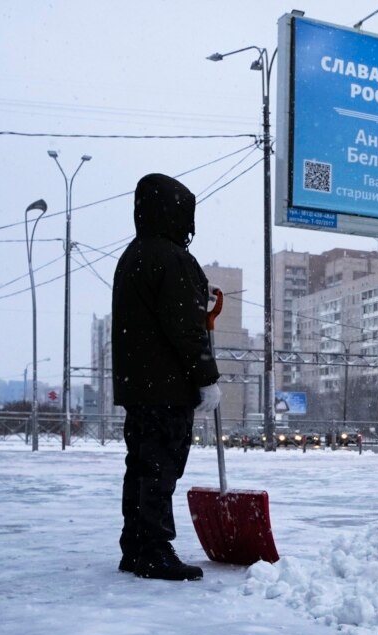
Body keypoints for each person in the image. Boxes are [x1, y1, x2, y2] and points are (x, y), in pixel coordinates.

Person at [112, 173, 222, 582]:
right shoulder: (172, 258)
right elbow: (185, 328)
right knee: (160, 468)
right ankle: (154, 550)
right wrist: (206, 377)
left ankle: (136, 546)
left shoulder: (134, 255)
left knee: (141, 466)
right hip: (167, 388)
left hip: (140, 388)